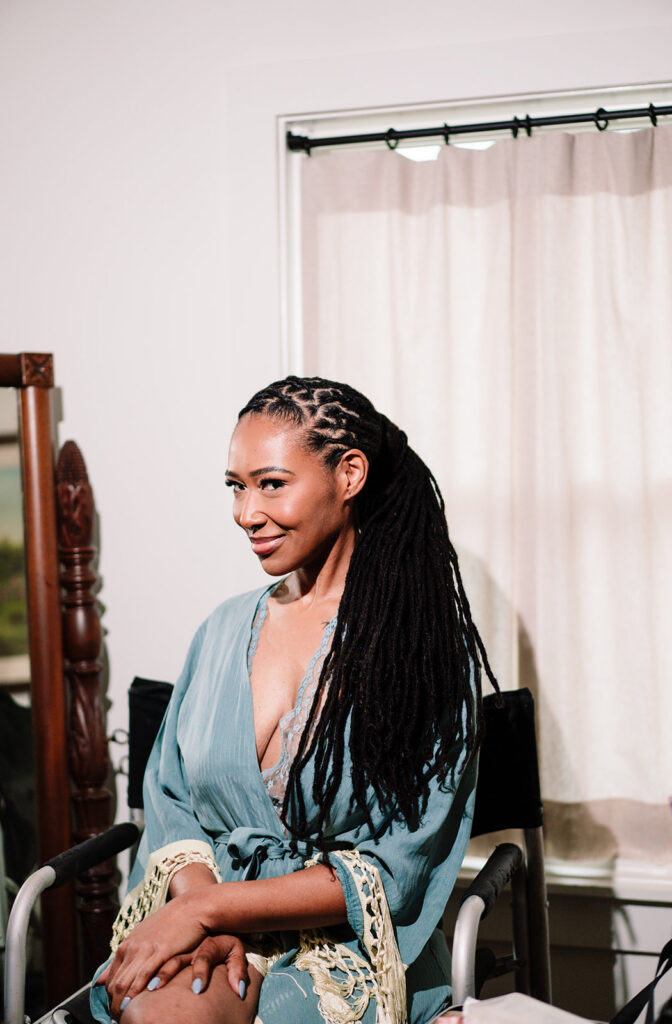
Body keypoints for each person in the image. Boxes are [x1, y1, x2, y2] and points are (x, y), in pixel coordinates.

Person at [91, 376, 497, 1024]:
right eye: (235, 485)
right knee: (138, 1002)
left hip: (342, 949)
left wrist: (207, 911)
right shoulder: (223, 630)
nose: (246, 513)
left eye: (271, 483)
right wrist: (199, 912)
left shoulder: (416, 656)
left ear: (349, 474)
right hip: (211, 914)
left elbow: (394, 867)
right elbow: (171, 800)